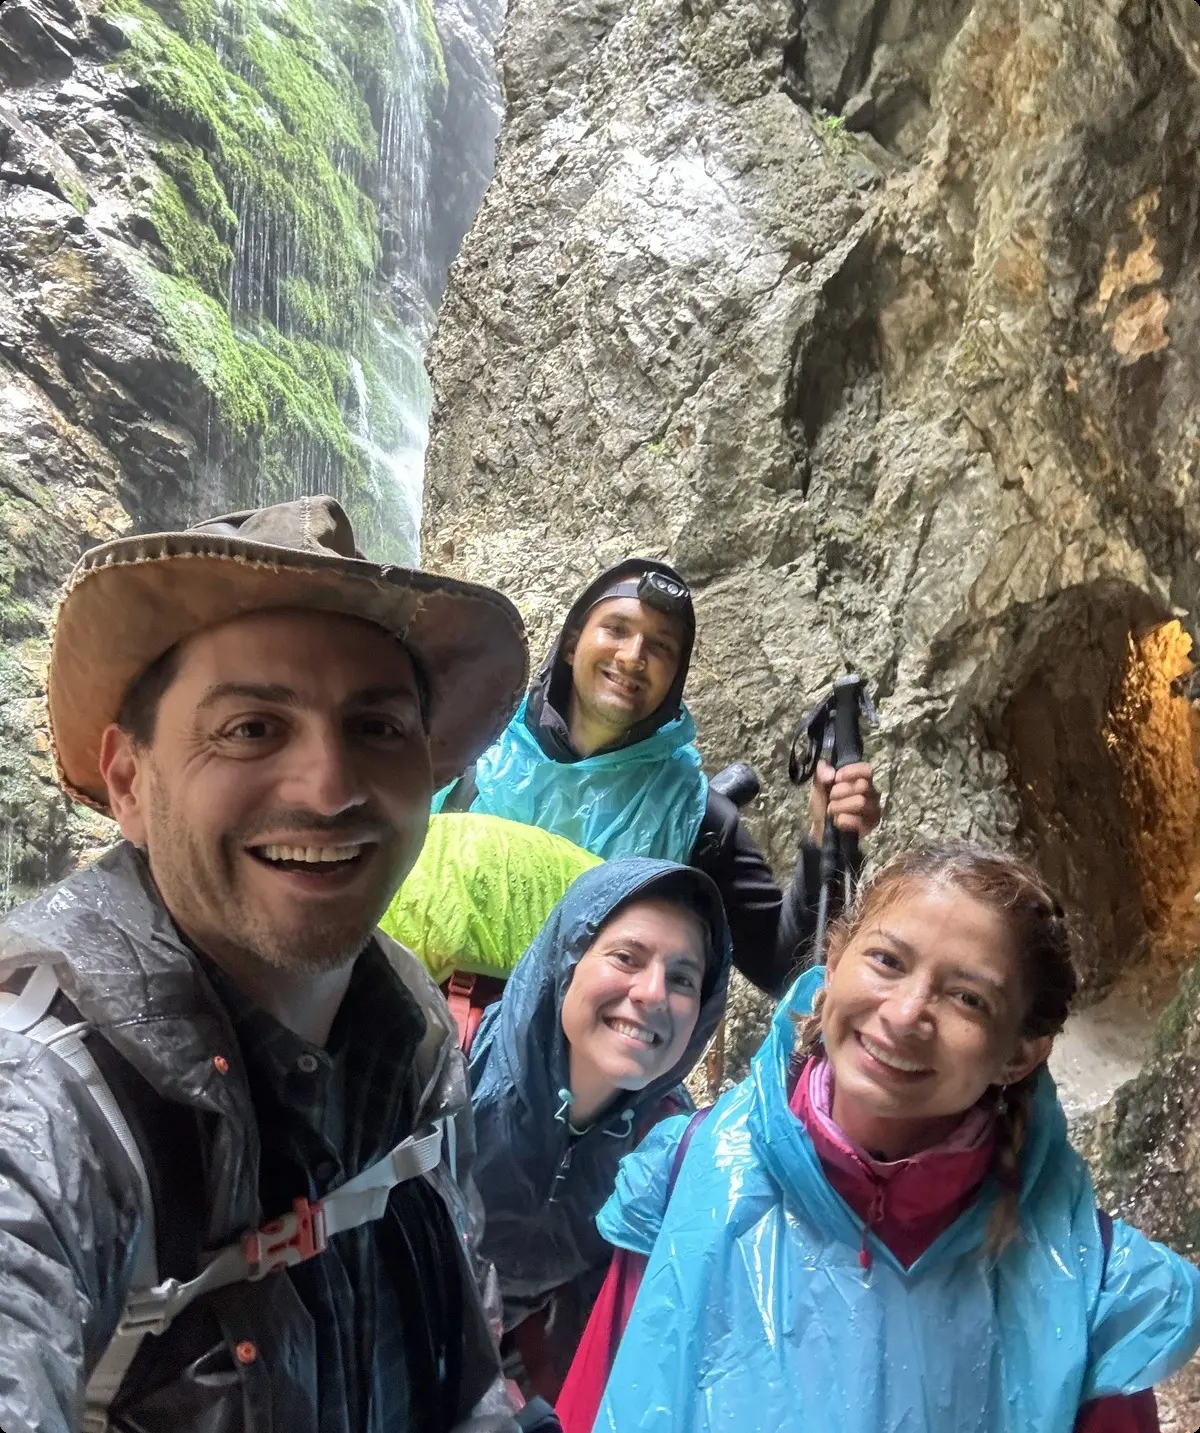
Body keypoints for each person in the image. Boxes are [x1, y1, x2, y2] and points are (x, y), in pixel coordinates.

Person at [0, 496, 533, 1433]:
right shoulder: (43, 1089)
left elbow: (467, 1367)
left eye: (377, 728)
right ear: (128, 781)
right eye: (250, 728)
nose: (329, 789)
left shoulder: (410, 1043)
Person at [559, 844, 1200, 1433]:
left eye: (968, 1000)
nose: (904, 1014)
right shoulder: (692, 1171)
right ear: (833, 963)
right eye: (887, 961)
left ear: (1021, 1054)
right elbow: (597, 1399)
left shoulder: (1086, 1279)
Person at [437, 558, 881, 995]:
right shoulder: (468, 747)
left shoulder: (696, 819)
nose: (632, 657)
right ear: (572, 644)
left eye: (660, 647)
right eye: (616, 629)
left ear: (675, 678)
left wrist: (825, 839)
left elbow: (783, 967)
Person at [468, 858, 730, 1404]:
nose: (653, 993)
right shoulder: (452, 1068)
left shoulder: (668, 1144)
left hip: (509, 1366)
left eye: (683, 979)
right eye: (626, 958)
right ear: (566, 964)